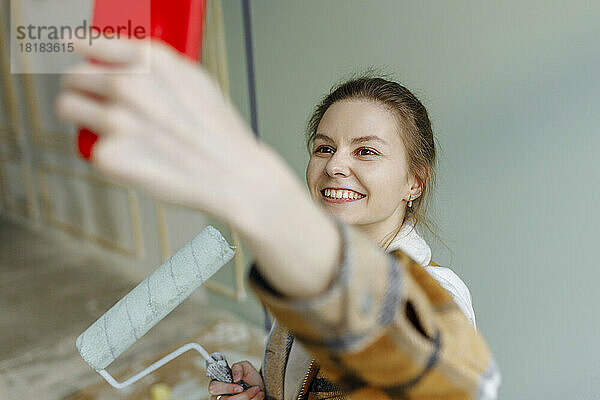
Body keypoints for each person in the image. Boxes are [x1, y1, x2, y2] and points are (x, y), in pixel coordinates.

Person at [56, 38, 500, 400]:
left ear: (414, 183)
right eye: (324, 147)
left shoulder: (436, 294)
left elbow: (453, 386)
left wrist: (259, 195)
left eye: (365, 151)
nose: (335, 166)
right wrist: (268, 393)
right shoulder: (297, 280)